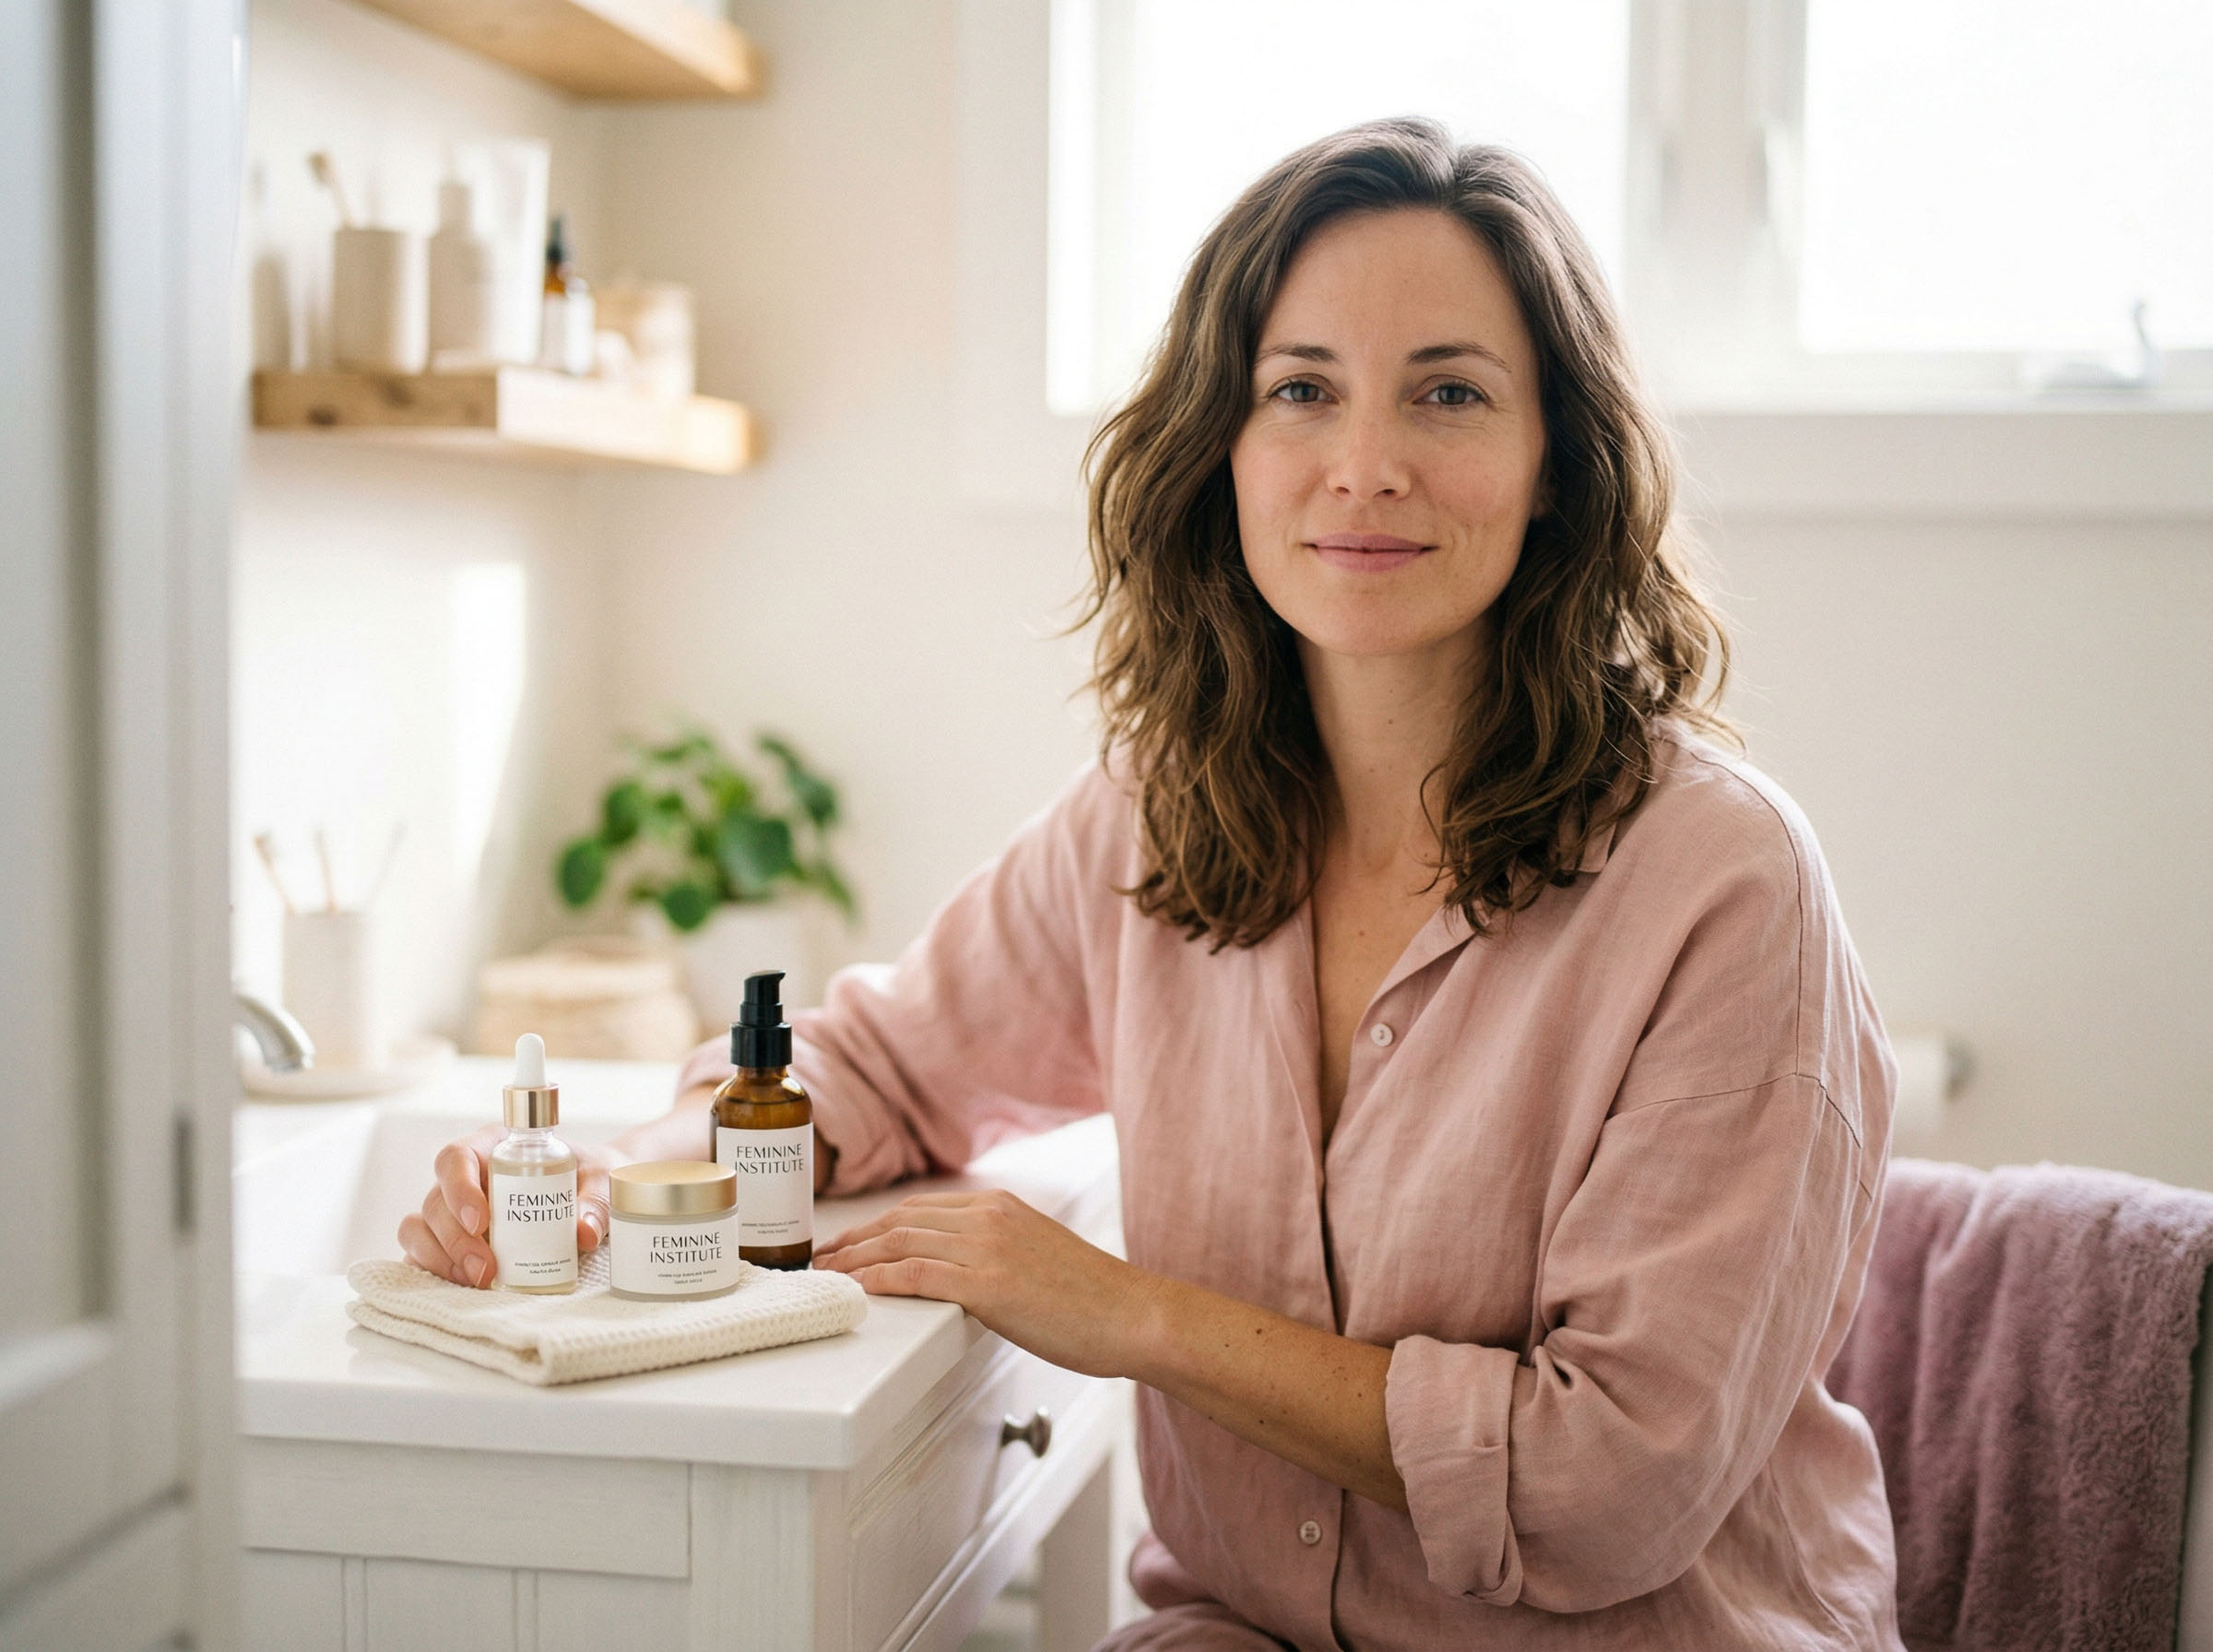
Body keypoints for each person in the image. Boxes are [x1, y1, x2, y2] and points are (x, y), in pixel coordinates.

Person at [404, 119, 1904, 1649]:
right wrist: (620, 1178)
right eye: (1300, 391)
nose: (1365, 466)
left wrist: (1135, 1318)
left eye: (1448, 393)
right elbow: (870, 1066)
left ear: (1556, 467)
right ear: (1222, 453)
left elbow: (1601, 1488)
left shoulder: (1725, 886)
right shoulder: (1151, 819)